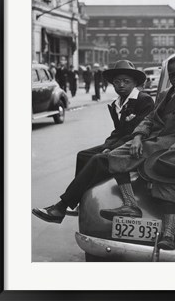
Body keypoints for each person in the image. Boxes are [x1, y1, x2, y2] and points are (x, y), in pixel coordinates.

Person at [100, 55, 175, 250]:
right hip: (153, 141)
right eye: (172, 74)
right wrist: (138, 136)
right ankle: (130, 205)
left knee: (168, 183)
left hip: (173, 145)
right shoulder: (165, 93)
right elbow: (150, 118)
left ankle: (168, 235)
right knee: (115, 156)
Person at [32, 60, 155, 223]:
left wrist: (110, 149)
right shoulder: (117, 103)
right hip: (121, 144)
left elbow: (136, 132)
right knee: (83, 155)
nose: (121, 85)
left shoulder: (144, 100)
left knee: (98, 160)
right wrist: (107, 145)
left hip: (135, 148)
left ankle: (61, 207)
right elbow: (118, 131)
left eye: (126, 82)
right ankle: (78, 201)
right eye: (117, 82)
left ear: (135, 83)